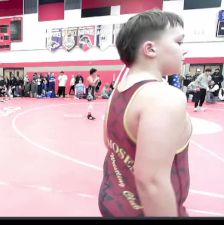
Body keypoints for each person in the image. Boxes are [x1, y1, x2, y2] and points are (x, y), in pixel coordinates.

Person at [99, 10, 192, 217]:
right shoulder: (163, 97)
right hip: (142, 211)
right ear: (150, 49)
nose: (184, 51)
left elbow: (110, 142)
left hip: (113, 200)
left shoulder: (119, 89)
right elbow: (151, 182)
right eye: (179, 42)